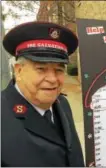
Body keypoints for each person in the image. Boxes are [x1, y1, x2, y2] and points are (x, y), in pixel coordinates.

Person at [1, 21, 85, 167]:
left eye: (59, 70)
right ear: (18, 71)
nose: (53, 79)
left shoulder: (62, 103)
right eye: (41, 68)